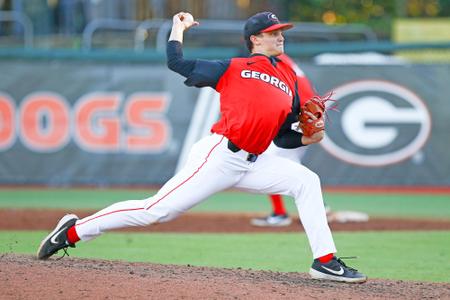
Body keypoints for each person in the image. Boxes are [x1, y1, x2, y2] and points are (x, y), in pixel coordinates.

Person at [37, 11, 367, 283]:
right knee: (156, 211)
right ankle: (73, 232)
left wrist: (307, 137)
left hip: (255, 161)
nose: (280, 36)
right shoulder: (234, 67)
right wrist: (177, 29)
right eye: (272, 32)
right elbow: (176, 63)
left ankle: (325, 261)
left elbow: (282, 137)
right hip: (220, 156)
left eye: (281, 32)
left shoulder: (289, 82)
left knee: (305, 180)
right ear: (255, 39)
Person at [250, 53, 316, 227]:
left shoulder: (272, 60)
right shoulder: (283, 59)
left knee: (268, 159)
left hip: (298, 113)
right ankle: (319, 208)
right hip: (308, 112)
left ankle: (280, 213)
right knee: (290, 163)